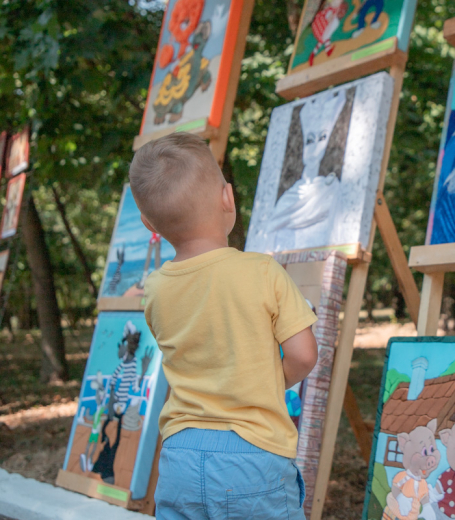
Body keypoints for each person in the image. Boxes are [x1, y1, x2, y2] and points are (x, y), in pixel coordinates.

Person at [130, 132, 319, 520]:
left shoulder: (155, 289)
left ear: (149, 223)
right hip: (253, 454)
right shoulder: (262, 271)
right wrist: (269, 382)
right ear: (227, 198)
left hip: (179, 455)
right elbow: (303, 355)